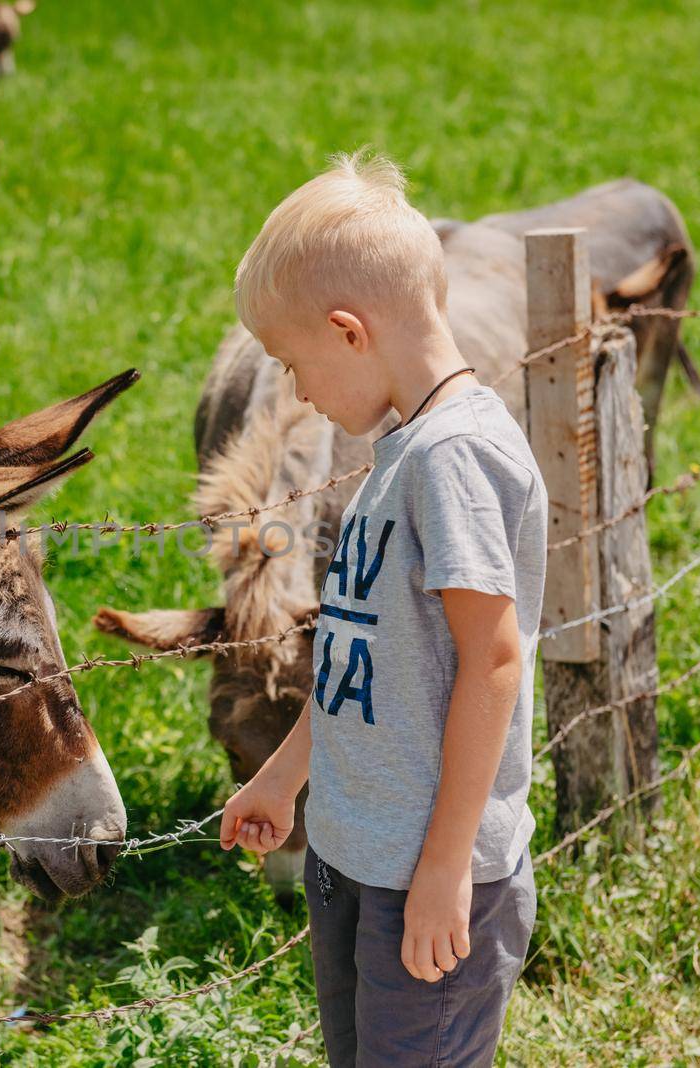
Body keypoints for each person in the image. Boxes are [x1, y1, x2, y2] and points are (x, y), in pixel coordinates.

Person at [218, 148, 548, 1066]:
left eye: (294, 364)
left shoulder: (455, 461)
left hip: (431, 879)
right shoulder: (399, 454)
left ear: (350, 332)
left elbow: (492, 661)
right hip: (355, 855)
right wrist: (286, 777)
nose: (298, 392)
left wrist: (445, 867)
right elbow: (359, 657)